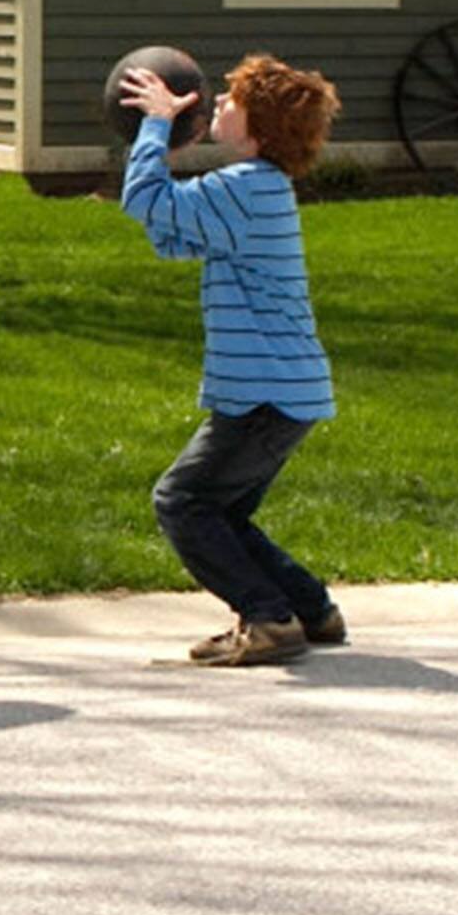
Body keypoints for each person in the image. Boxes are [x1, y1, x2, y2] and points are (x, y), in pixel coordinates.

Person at [118, 52, 347, 667]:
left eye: (232, 99)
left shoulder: (246, 187)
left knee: (182, 501)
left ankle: (268, 618)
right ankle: (312, 609)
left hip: (262, 395)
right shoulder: (257, 189)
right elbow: (172, 236)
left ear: (260, 128)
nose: (217, 101)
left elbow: (144, 200)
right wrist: (162, 179)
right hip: (285, 392)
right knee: (224, 511)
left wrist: (157, 125)